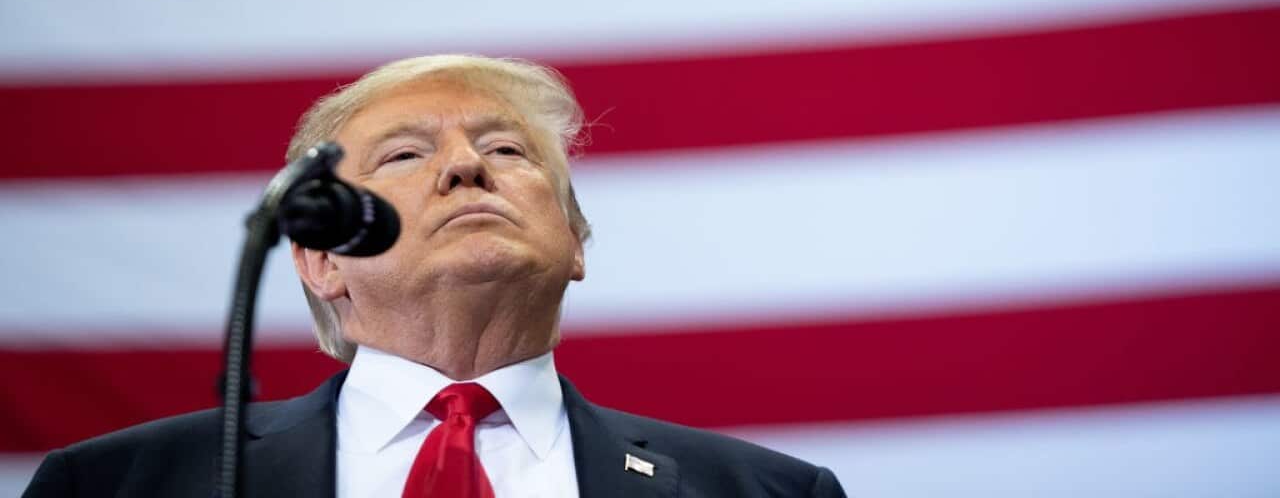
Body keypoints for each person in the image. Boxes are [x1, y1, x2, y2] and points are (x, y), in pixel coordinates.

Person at [23, 55, 847, 498]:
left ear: (576, 242)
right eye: (407, 155)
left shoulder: (763, 493)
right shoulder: (115, 486)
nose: (464, 167)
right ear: (321, 259)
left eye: (507, 150)